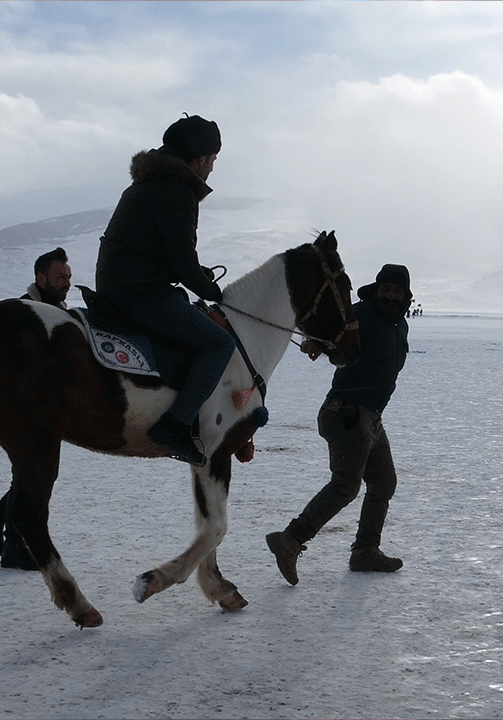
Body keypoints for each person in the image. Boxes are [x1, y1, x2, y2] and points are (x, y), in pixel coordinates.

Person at [94, 114, 235, 467]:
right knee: (220, 343)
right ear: (201, 159)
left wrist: (192, 273)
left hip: (121, 283)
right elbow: (183, 262)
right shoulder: (177, 191)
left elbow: (165, 253)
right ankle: (175, 424)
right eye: (213, 160)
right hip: (139, 292)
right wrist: (213, 292)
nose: (213, 168)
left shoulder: (150, 183)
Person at [265, 264, 413, 584]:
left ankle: (365, 551)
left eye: (397, 291)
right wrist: (317, 342)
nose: (390, 296)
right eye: (385, 289)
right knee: (346, 485)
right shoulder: (360, 315)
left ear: (406, 296)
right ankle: (290, 539)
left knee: (383, 483)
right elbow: (330, 326)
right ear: (376, 289)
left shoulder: (399, 324)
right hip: (346, 413)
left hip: (371, 417)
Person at [0, 248, 74, 570]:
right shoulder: (24, 313)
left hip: (40, 409)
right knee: (35, 473)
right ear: (40, 278)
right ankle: (15, 545)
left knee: (35, 473)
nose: (67, 283)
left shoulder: (55, 311)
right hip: (17, 409)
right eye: (60, 277)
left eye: (69, 277)